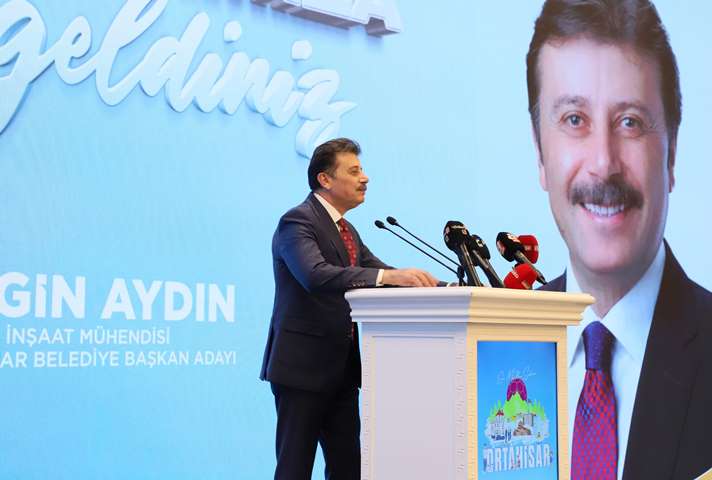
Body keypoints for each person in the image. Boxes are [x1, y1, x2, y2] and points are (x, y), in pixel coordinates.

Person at [526, 1, 712, 479]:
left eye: (630, 122)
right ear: (540, 154)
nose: (603, 163)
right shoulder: (490, 353)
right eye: (574, 119)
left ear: (672, 154)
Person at [260, 138, 438, 480]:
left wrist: (448, 287)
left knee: (348, 469)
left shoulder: (346, 229)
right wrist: (389, 276)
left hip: (340, 372)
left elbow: (381, 273)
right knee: (295, 469)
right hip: (302, 370)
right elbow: (314, 275)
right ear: (325, 179)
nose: (364, 178)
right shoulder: (297, 222)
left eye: (362, 170)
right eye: (354, 171)